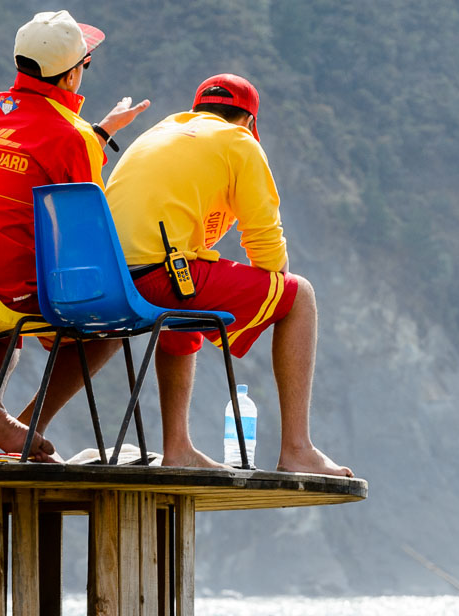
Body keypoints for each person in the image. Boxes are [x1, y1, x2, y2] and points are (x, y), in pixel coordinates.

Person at [103, 74, 350, 476]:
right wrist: (274, 293)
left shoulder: (162, 130)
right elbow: (268, 250)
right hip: (158, 277)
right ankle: (297, 450)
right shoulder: (239, 143)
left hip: (108, 279)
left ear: (198, 109)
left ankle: (176, 446)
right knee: (299, 295)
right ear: (250, 122)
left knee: (186, 302)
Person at [0, 10, 149, 457]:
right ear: (73, 74)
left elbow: (34, 151)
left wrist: (99, 132)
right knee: (112, 320)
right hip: (12, 288)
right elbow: (81, 228)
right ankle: (28, 420)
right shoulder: (72, 137)